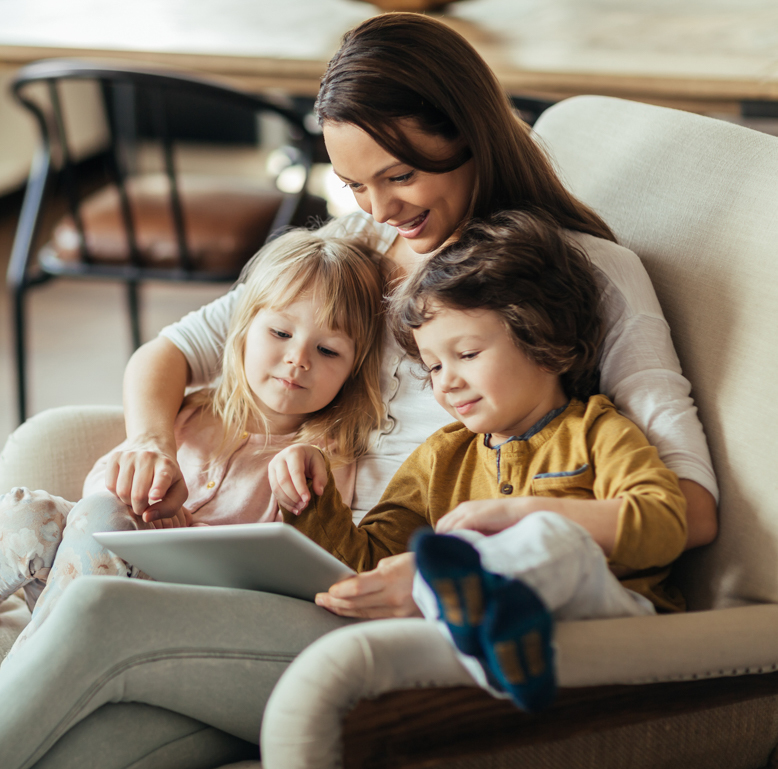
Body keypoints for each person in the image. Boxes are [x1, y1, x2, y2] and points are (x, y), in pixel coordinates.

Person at [0, 13, 719, 769]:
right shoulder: (357, 248)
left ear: (467, 131)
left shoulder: (590, 275)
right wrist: (149, 439)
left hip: (408, 604)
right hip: (303, 567)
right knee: (96, 733)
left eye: (398, 176)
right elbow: (174, 351)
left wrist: (453, 563)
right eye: (355, 185)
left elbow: (692, 505)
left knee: (99, 613)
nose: (381, 209)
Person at [0, 224, 385, 652]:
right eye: (280, 333)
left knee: (103, 519)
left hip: (172, 610)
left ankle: (31, 667)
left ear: (353, 371)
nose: (299, 359)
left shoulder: (318, 457)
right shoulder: (191, 410)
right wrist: (135, 493)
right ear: (243, 330)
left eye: (328, 351)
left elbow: (282, 565)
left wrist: (179, 533)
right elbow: (104, 486)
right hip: (85, 576)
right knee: (34, 511)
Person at [274, 210, 687, 712]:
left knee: (549, 537)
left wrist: (524, 514)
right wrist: (311, 496)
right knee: (432, 562)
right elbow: (370, 562)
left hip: (611, 626)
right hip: (486, 653)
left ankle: (492, 611)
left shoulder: (597, 430)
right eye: (432, 366)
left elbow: (666, 522)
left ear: (542, 339)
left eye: (467, 354)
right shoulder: (440, 457)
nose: (445, 381)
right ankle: (493, 637)